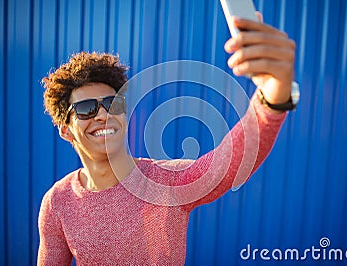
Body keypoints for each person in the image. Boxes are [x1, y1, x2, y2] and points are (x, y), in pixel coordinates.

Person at [38, 14, 297, 265]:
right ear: (66, 130)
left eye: (112, 103)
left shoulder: (166, 182)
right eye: (86, 109)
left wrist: (272, 98)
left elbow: (230, 161)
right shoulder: (57, 202)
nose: (103, 114)